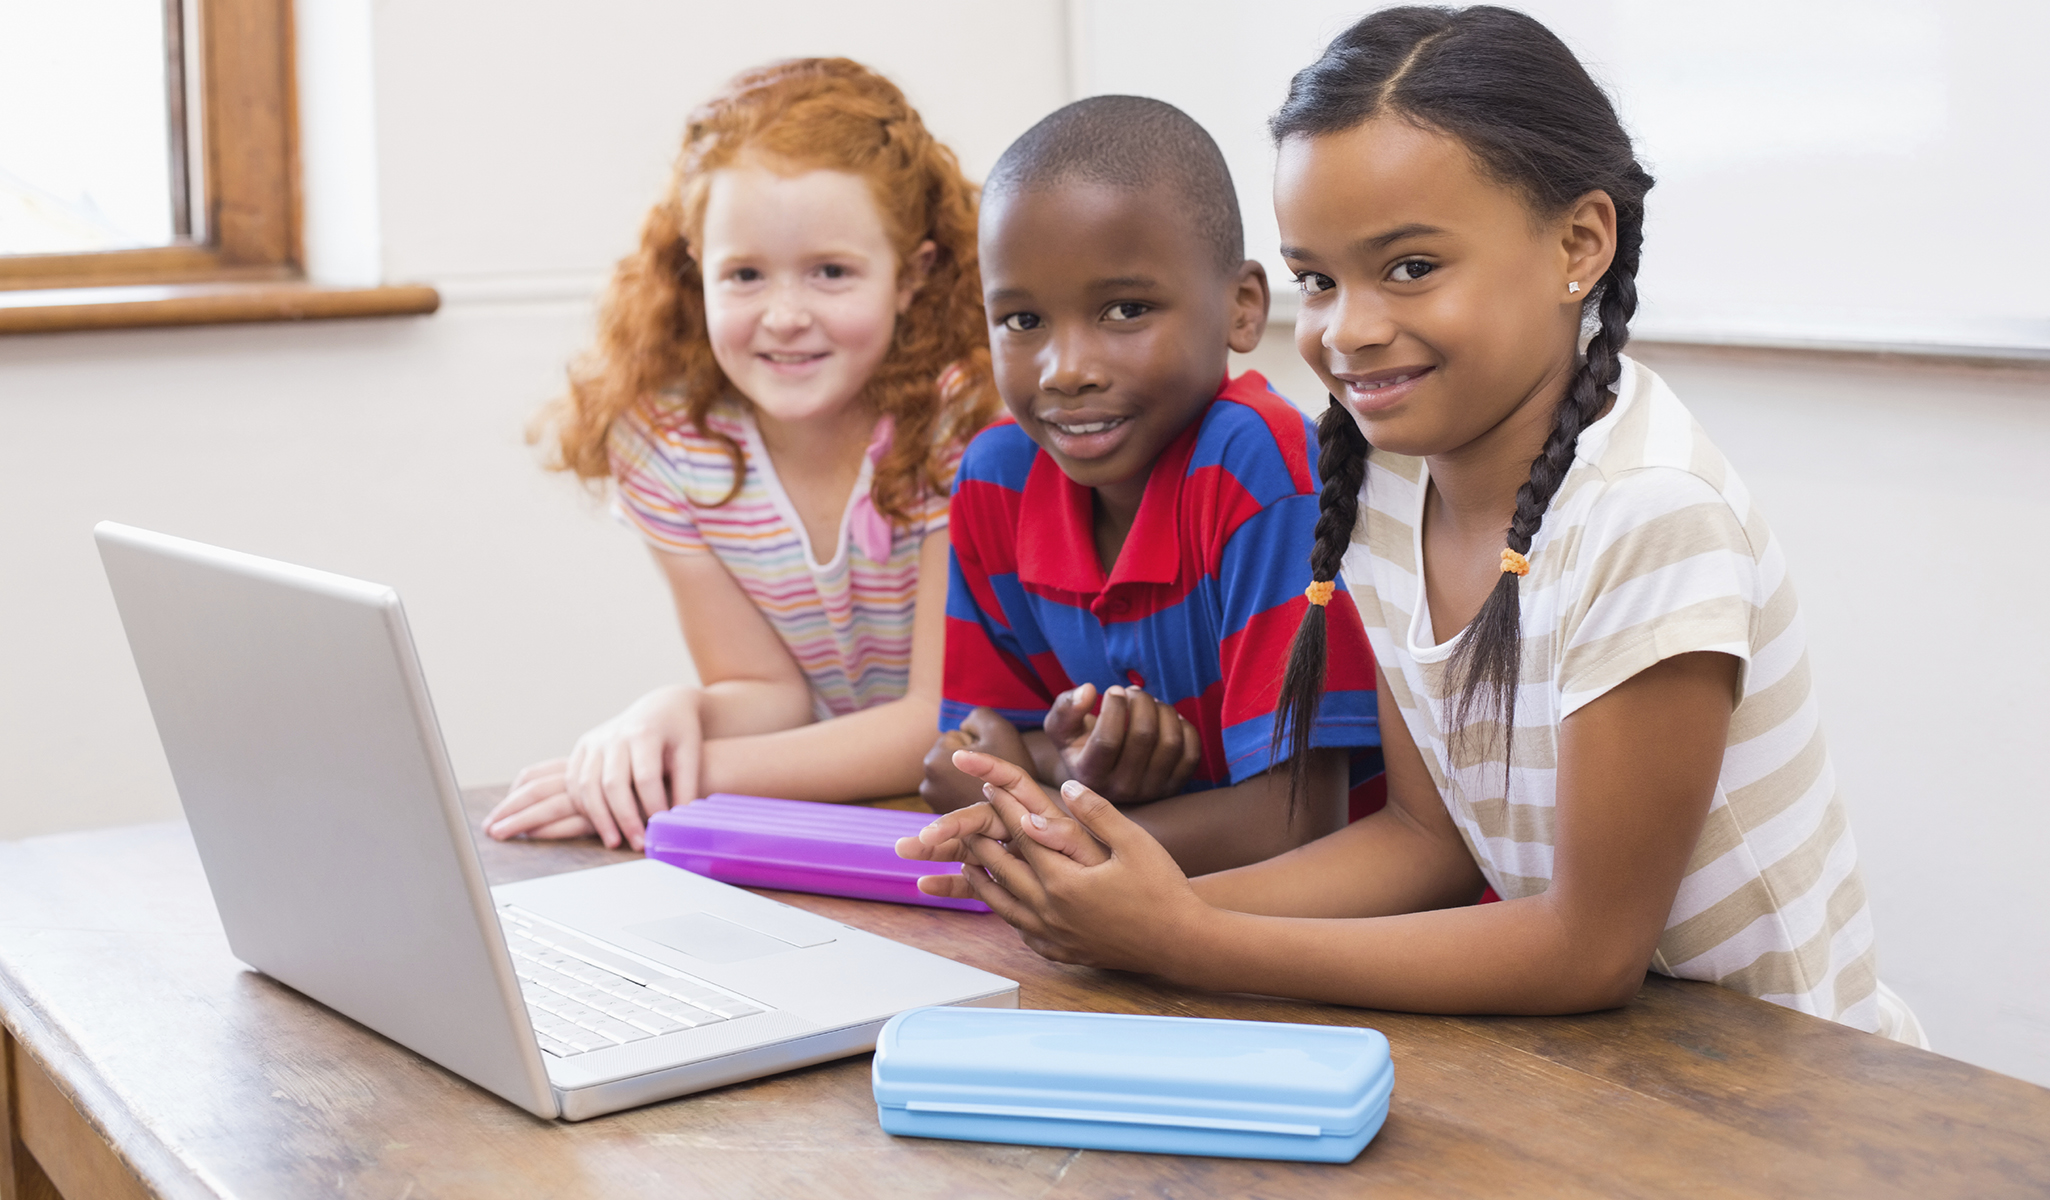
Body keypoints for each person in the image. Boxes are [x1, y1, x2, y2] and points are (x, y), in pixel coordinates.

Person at [900, 6, 1923, 1041]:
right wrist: (1129, 909)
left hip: (1773, 1081)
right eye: (1318, 279)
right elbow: (1423, 838)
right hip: (1591, 1061)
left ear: (1579, 243)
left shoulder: (1648, 516)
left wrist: (1185, 937)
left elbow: (1588, 947)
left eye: (1410, 268)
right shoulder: (1385, 478)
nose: (1346, 329)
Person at [485, 58, 999, 851]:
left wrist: (662, 785)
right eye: (746, 275)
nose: (785, 316)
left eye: (831, 272)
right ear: (697, 269)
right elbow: (768, 693)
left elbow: (935, 723)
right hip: (828, 830)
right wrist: (670, 712)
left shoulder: (960, 424)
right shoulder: (667, 444)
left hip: (975, 821)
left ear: (912, 275)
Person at [918, 96, 1383, 878]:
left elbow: (1299, 819)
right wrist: (1062, 761)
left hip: (1317, 923)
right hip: (1132, 917)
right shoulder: (996, 478)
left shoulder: (1257, 466)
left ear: (1241, 309)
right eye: (1022, 320)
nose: (1066, 369)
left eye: (1125, 310)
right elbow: (988, 744)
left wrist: (1043, 811)